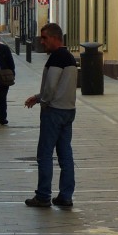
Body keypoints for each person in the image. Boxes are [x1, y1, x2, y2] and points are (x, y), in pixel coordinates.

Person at [24, 23, 77, 209]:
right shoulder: (69, 57)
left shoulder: (56, 58)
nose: (42, 41)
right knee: (65, 155)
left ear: (55, 38)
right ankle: (66, 195)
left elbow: (51, 86)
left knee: (45, 154)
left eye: (45, 37)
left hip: (54, 111)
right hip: (68, 110)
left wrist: (43, 101)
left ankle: (43, 195)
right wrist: (38, 97)